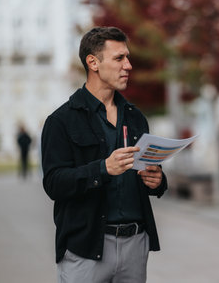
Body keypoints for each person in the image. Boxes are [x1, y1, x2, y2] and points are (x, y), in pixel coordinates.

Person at [41, 27, 167, 283]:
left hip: (135, 245)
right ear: (93, 62)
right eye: (119, 58)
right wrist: (103, 169)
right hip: (86, 248)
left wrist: (158, 181)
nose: (128, 65)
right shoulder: (61, 121)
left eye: (127, 57)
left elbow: (149, 173)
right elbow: (54, 183)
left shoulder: (135, 117)